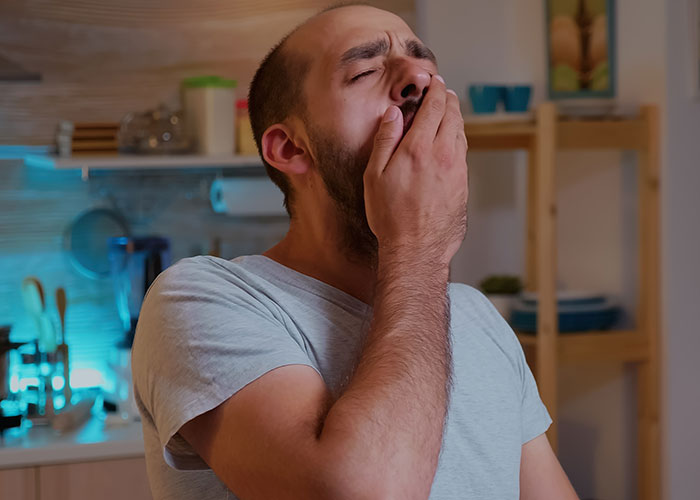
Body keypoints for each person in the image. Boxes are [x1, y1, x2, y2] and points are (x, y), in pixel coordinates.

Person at [131, 4, 580, 500]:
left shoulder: (476, 318)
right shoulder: (200, 299)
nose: (417, 77)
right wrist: (419, 249)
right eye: (365, 70)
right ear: (290, 149)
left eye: (422, 62)